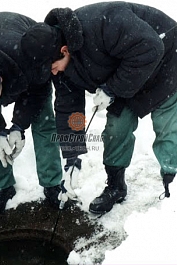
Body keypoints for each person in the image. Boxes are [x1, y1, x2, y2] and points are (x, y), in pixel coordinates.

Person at [21, 2, 177, 215]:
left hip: (165, 61)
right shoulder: (58, 62)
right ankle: (116, 186)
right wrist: (72, 157)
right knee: (115, 128)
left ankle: (172, 190)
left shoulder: (103, 22)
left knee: (167, 129)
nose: (54, 73)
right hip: (126, 75)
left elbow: (151, 47)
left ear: (64, 50)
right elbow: (69, 109)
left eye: (53, 67)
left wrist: (112, 88)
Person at [0, 12, 62, 219]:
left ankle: (52, 184)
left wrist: (18, 127)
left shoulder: (30, 56)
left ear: (0, 82)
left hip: (21, 51)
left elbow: (38, 92)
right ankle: (2, 187)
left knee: (43, 122)